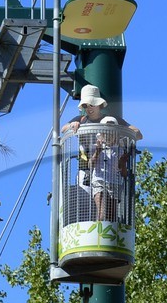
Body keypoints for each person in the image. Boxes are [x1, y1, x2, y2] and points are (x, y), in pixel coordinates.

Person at [60, 85, 141, 223]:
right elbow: (63, 129)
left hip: (109, 171)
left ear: (99, 104)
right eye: (85, 105)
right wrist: (73, 124)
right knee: (90, 209)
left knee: (110, 210)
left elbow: (138, 133)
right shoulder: (81, 119)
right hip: (87, 169)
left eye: (91, 104)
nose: (88, 108)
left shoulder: (111, 120)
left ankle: (105, 231)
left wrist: (119, 130)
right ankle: (96, 231)